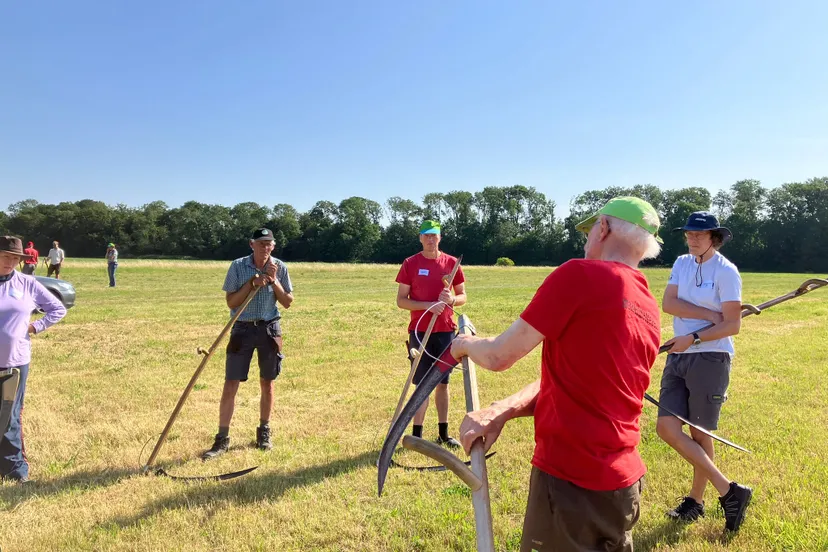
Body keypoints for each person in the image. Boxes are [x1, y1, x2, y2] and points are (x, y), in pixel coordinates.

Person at [451, 197, 663, 552]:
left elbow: (500, 355)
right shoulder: (646, 303)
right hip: (622, 487)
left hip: (571, 484)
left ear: (604, 228)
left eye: (589, 229)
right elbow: (580, 381)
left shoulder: (580, 274)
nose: (585, 240)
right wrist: (502, 410)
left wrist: (463, 345)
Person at [656, 211, 752, 531]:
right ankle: (729, 490)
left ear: (715, 237)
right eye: (689, 234)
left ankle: (696, 502)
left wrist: (695, 335)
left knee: (699, 433)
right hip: (678, 354)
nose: (692, 238)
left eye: (700, 234)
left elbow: (733, 325)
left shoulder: (727, 272)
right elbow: (669, 303)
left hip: (710, 356)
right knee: (667, 429)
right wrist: (708, 313)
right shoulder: (682, 263)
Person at [202, 228, 294, 459]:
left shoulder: (279, 267)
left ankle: (264, 432)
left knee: (267, 382)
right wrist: (252, 284)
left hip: (269, 329)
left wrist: (273, 282)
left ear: (273, 246)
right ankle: (222, 439)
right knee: (231, 383)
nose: (265, 247)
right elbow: (231, 301)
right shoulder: (238, 266)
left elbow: (288, 302)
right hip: (241, 328)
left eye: (269, 244)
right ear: (251, 244)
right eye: (261, 243)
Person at [0, 236, 66, 482]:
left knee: (10, 414)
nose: (10, 262)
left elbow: (57, 308)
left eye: (15, 258)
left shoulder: (27, 283)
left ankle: (14, 468)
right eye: (5, 256)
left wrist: (36, 327)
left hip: (14, 362)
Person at [395, 220, 466, 448]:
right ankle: (416, 435)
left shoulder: (452, 263)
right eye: (426, 235)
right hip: (420, 332)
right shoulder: (410, 263)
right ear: (420, 238)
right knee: (422, 384)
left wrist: (452, 300)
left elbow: (463, 296)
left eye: (434, 235)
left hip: (445, 331)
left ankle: (443, 434)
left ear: (440, 237)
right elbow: (401, 301)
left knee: (443, 384)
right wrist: (428, 305)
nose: (430, 239)